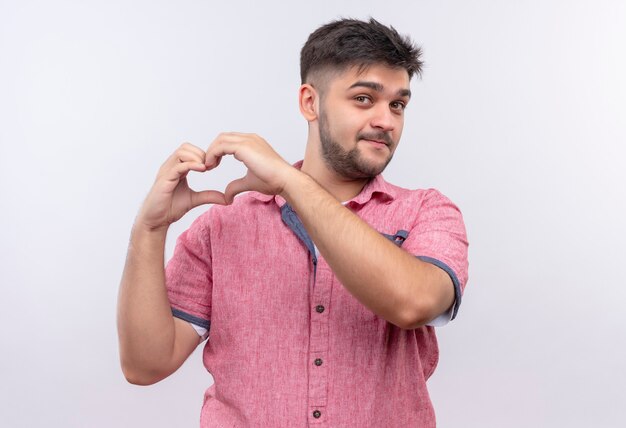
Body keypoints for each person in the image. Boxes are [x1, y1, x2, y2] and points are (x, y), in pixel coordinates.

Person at [117, 18, 469, 427]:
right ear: (309, 103)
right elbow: (145, 366)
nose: (386, 121)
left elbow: (415, 302)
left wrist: (290, 181)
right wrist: (149, 229)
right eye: (363, 99)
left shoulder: (429, 211)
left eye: (398, 104)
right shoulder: (223, 226)